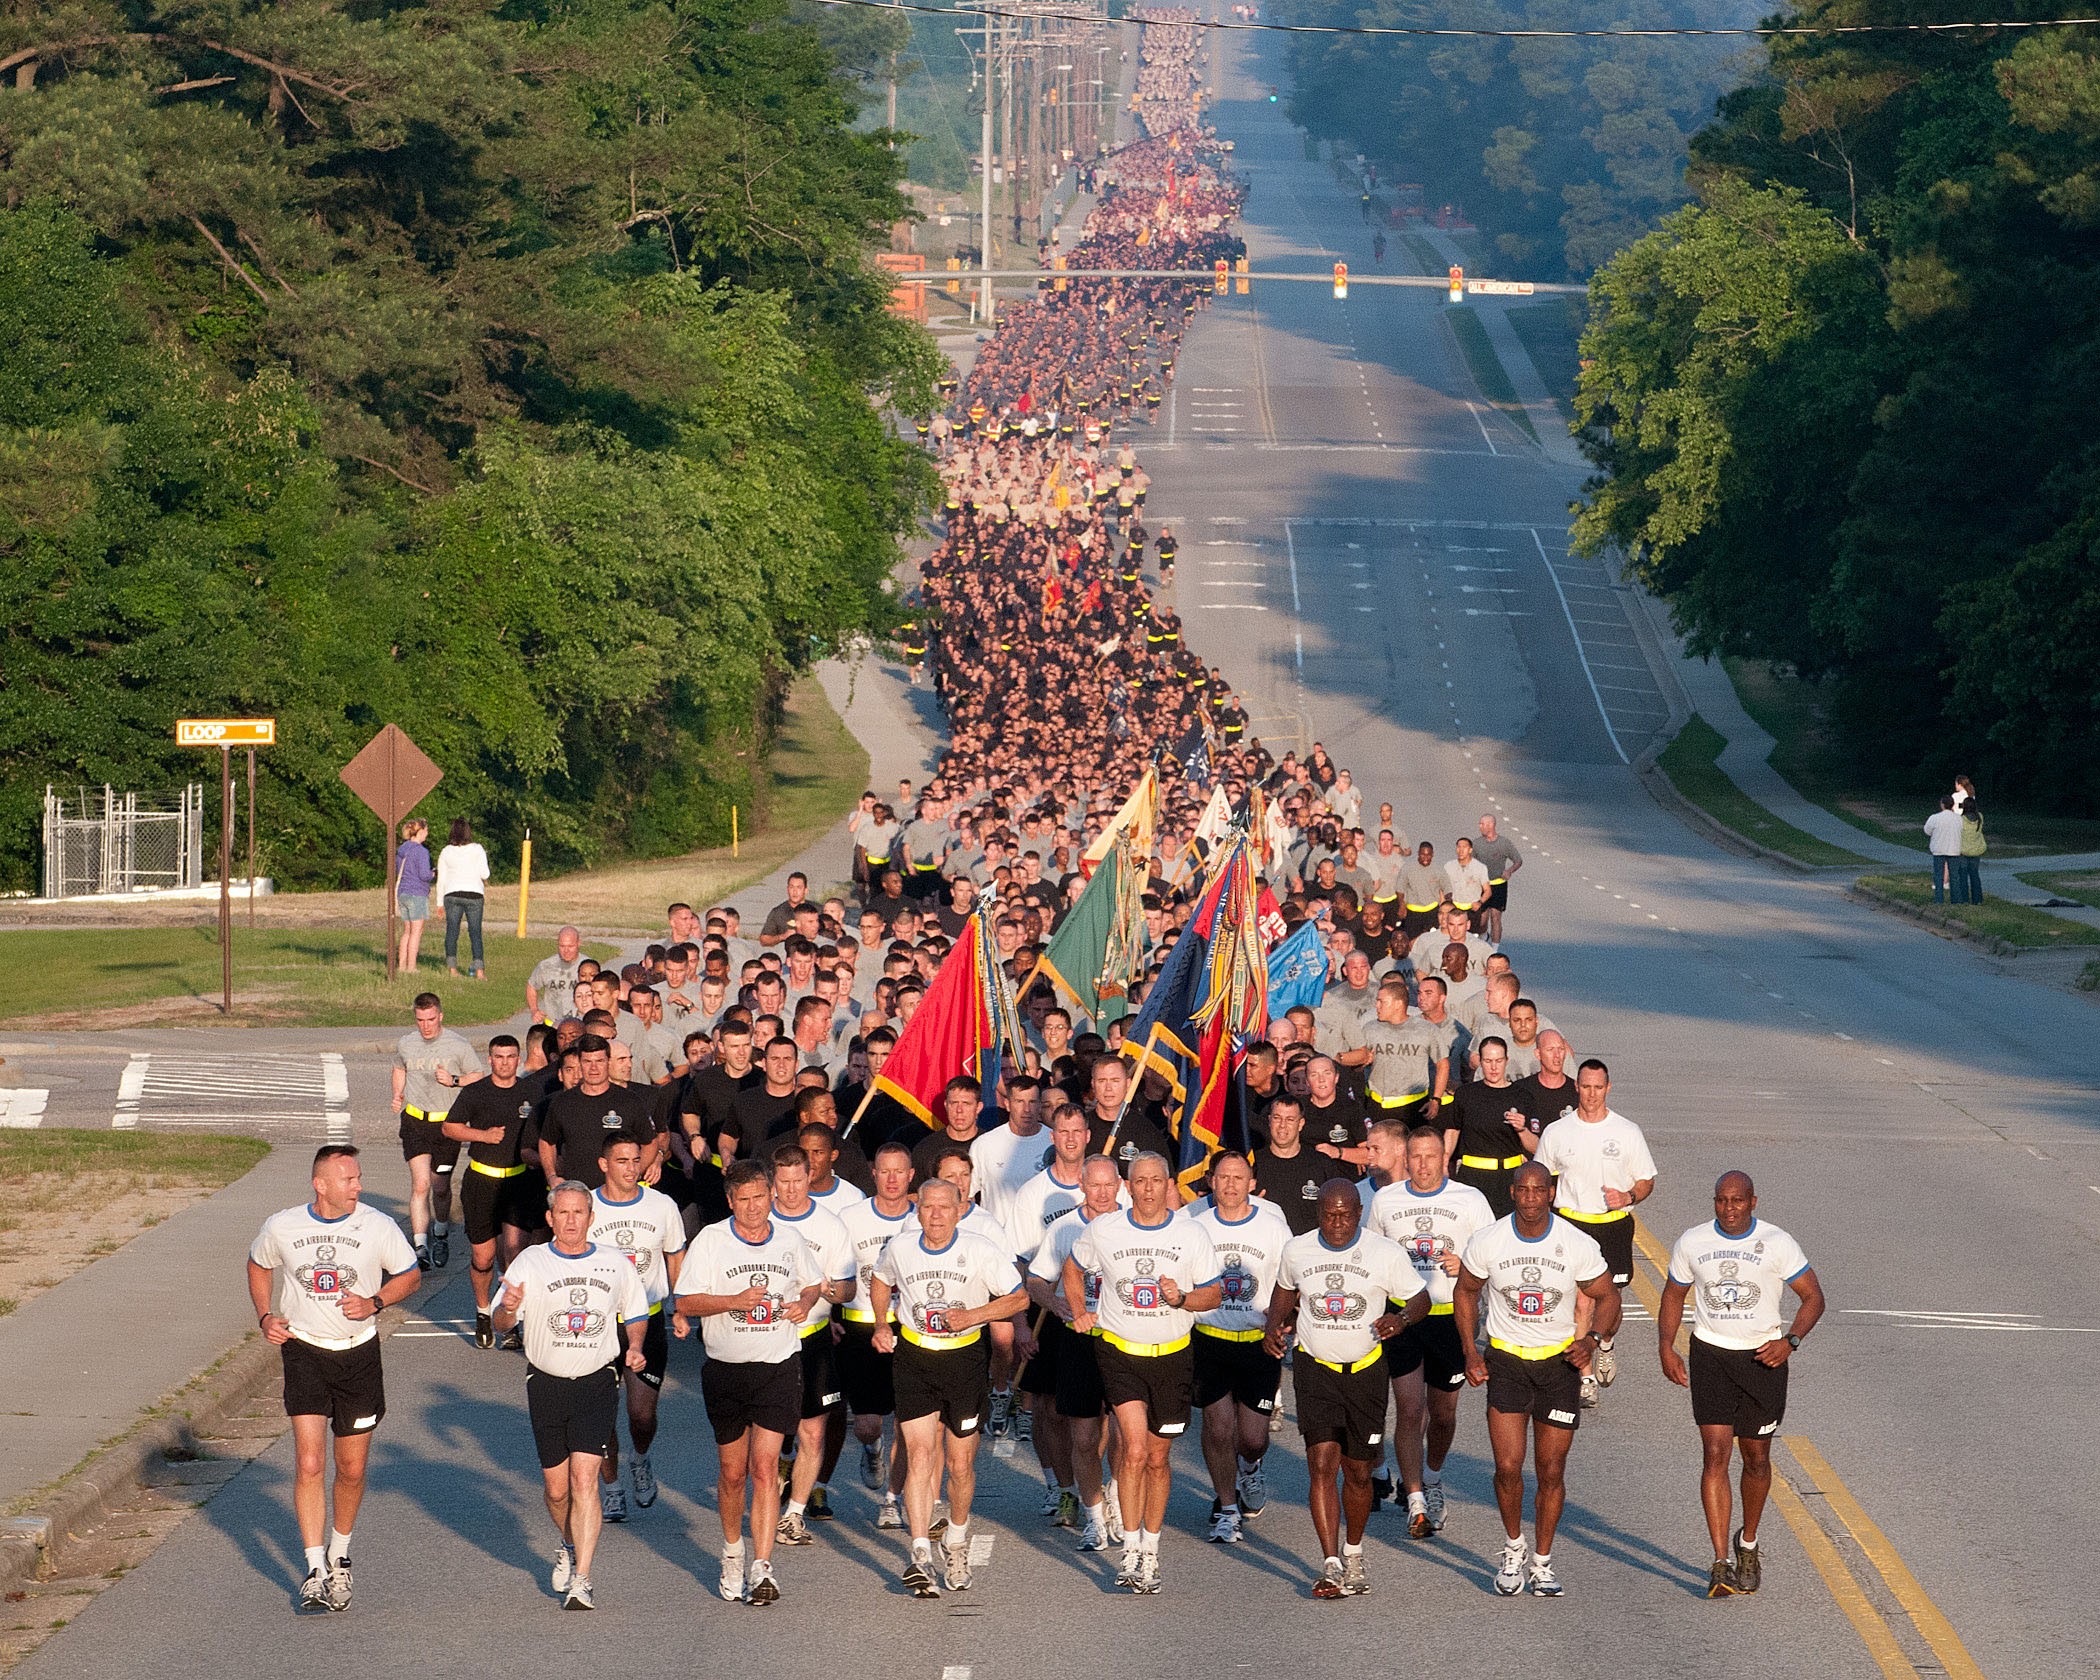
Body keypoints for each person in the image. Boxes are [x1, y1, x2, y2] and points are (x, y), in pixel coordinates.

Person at [247, 1145, 422, 1612]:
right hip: (304, 1351)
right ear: (320, 1184)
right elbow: (258, 1263)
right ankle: (314, 1568)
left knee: (351, 1469)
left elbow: (410, 1274)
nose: (359, 1187)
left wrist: (376, 1302)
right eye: (349, 1180)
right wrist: (265, 1315)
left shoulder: (376, 1226)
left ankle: (340, 1555)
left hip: (358, 1355)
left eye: (358, 1178)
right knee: (308, 1464)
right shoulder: (283, 1225)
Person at [1454, 1161, 1621, 1597]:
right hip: (1507, 1362)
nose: (1530, 1198)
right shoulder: (1489, 1240)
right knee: (1508, 1467)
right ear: (1512, 1192)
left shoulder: (1575, 1243)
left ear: (1551, 1193)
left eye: (1539, 1190)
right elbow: (1466, 1290)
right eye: (1523, 1190)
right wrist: (1471, 1349)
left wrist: (1593, 1340)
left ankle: (1543, 1562)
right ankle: (1513, 1548)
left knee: (1550, 1470)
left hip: (1558, 1366)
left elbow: (1608, 1296)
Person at [1660, 1172, 1826, 1596]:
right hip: (1710, 1355)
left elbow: (1813, 1297)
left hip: (1761, 1361)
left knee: (1755, 1458)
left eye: (1737, 1201)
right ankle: (1719, 1562)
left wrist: (1789, 1342)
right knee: (1714, 1453)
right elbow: (1674, 1294)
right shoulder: (1692, 1242)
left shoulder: (1778, 1242)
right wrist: (1666, 1347)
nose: (1728, 1208)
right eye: (1720, 1200)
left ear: (1753, 1201)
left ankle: (1747, 1543)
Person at [1066, 1152, 1223, 1595]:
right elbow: (1074, 1268)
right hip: (1120, 1352)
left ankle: (1152, 1549)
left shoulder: (1190, 1234)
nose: (1149, 1188)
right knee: (1133, 1449)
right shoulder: (1103, 1230)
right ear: (1126, 1186)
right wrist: (1080, 1310)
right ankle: (1130, 1551)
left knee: (1158, 1457)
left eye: (1157, 1180)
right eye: (1140, 1180)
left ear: (1169, 1185)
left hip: (1172, 1355)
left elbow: (1213, 1293)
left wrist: (1181, 1299)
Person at [493, 1180, 650, 1611]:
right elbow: (502, 1323)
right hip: (545, 1382)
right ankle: (567, 1541)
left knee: (585, 1480)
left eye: (579, 1212)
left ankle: (583, 1578)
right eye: (563, 1213)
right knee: (556, 1489)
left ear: (591, 1218)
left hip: (597, 1381)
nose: (571, 1221)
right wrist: (509, 1306)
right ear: (550, 1218)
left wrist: (635, 1346)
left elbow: (635, 1312)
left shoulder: (614, 1264)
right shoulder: (531, 1261)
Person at [676, 1159, 825, 1606]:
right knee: (731, 1472)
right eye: (744, 1200)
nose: (754, 1207)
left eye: (760, 1197)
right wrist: (732, 1301)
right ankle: (732, 1551)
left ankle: (762, 1567)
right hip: (725, 1368)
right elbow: (685, 1300)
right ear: (730, 1201)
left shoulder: (790, 1239)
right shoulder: (712, 1240)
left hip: (777, 1364)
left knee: (764, 1469)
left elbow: (814, 1284)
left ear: (771, 1195)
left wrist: (803, 1303)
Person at [1268, 1179, 1426, 1598]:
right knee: (1321, 1463)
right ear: (1319, 1212)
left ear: (1358, 1212)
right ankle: (1331, 1562)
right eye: (1328, 1214)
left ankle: (1354, 1550)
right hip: (1314, 1367)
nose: (1336, 1223)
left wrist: (1401, 1319)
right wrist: (1272, 1326)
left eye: (1345, 1214)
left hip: (1366, 1371)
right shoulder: (1298, 1249)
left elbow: (1420, 1298)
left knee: (1358, 1471)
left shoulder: (1384, 1253)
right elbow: (1284, 1290)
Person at [872, 1176, 1028, 1597]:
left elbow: (1019, 1299)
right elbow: (880, 1279)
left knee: (959, 1465)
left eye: (945, 1207)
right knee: (920, 1454)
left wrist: (975, 1314)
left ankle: (956, 1539)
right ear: (916, 1209)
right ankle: (920, 1552)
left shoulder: (979, 1250)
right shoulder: (900, 1247)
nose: (936, 1215)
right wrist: (882, 1323)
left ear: (960, 1210)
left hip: (964, 1360)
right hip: (915, 1357)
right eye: (927, 1207)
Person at [1368, 1123, 1494, 1538]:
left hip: (1450, 1318)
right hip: (1404, 1317)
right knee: (1409, 1409)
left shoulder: (1470, 1199)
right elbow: (1367, 1257)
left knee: (1443, 1414)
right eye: (1416, 1157)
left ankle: (1434, 1477)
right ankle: (1416, 1498)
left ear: (1445, 1159)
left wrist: (1466, 1264)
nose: (1423, 1165)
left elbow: (1492, 1256)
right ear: (1406, 1160)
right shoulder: (1386, 1200)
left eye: (1431, 1156)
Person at [1533, 1059, 1655, 1405]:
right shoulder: (1558, 1132)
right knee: (1580, 1303)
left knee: (1610, 1306)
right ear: (1577, 1087)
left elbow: (1646, 1180)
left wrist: (1628, 1196)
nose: (1591, 1094)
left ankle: (1605, 1342)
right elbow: (1542, 1177)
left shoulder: (1627, 1131)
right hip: (1573, 1224)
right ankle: (1584, 1377)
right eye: (1585, 1087)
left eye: (1597, 1087)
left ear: (1608, 1089)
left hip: (1613, 1226)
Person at [1191, 1152, 1290, 1543]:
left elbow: (1289, 1281)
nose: (1230, 1185)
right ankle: (1227, 1507)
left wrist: (1282, 1321)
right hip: (1209, 1339)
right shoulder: (1194, 1227)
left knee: (1252, 1438)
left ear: (1252, 1184)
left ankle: (1251, 1467)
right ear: (1212, 1181)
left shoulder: (1273, 1228)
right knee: (1218, 1428)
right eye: (1223, 1177)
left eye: (1239, 1178)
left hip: (1257, 1343)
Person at [588, 1137, 687, 1523]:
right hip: (598, 1325)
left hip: (647, 1320)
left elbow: (674, 1254)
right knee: (600, 1414)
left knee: (640, 1414)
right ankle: (611, 1488)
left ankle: (640, 1458)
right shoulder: (588, 1206)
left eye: (635, 1160)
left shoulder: (661, 1206)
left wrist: (680, 1305)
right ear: (603, 1164)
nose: (630, 1167)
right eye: (621, 1160)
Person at [769, 1143, 859, 1539]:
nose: (790, 1190)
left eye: (797, 1180)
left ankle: (795, 1512)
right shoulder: (757, 1219)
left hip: (814, 1338)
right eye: (783, 1182)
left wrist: (828, 1291)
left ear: (810, 1178)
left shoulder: (831, 1226)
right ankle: (768, 1495)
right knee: (769, 1435)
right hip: (765, 1341)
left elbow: (848, 1289)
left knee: (813, 1431)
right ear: (774, 1182)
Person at [441, 1034, 540, 1348]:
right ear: (490, 1058)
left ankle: (511, 1321)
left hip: (520, 1181)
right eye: (499, 1056)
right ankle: (483, 1311)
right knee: (483, 1258)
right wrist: (482, 1135)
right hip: (482, 1181)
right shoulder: (475, 1092)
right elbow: (450, 1127)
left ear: (518, 1057)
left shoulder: (532, 1092)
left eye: (511, 1056)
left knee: (514, 1253)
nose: (505, 1062)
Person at [839, 1141, 917, 1529]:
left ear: (910, 1176)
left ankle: (893, 1497)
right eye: (884, 1171)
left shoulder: (924, 1218)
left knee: (910, 1420)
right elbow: (835, 1270)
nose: (891, 1179)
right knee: (868, 1423)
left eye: (898, 1171)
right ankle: (872, 1449)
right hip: (862, 1324)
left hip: (910, 1326)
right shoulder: (851, 1218)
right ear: (873, 1173)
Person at [391, 992, 483, 1271]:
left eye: (431, 1019)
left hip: (445, 1126)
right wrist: (397, 1094)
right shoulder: (406, 1043)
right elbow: (399, 1068)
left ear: (440, 1016)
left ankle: (440, 1234)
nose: (426, 1026)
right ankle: (420, 1247)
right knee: (420, 1185)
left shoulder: (457, 1044)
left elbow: (477, 1076)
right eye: (420, 1020)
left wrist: (454, 1080)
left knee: (440, 1187)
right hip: (415, 1121)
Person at [435, 817, 491, 980]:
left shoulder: (446, 851)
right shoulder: (477, 849)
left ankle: (452, 968)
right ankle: (479, 970)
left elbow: (441, 879)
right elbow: (485, 874)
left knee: (452, 931)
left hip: (452, 894)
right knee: (475, 932)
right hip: (474, 894)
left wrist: (439, 903)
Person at [1473, 815, 1523, 945]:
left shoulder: (1504, 843)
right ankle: (1483, 934)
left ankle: (1494, 949)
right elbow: (1469, 862)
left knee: (1496, 916)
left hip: (1499, 885)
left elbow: (1518, 860)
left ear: (1491, 825)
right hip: (1482, 885)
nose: (1480, 827)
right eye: (1480, 824)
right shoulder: (1477, 844)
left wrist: (1509, 871)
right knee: (1482, 919)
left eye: (1482, 824)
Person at [394, 819, 433, 975]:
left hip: (402, 892)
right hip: (417, 893)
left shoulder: (402, 850)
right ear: (420, 831)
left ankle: (401, 965)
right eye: (426, 830)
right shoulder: (421, 851)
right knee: (417, 931)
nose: (427, 834)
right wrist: (432, 874)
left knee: (407, 931)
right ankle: (411, 967)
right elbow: (424, 875)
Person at [528, 927, 586, 1026]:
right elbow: (531, 986)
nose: (566, 950)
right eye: (562, 946)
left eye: (570, 946)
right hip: (553, 1024)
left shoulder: (587, 967)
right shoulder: (546, 966)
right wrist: (534, 1010)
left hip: (579, 1023)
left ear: (578, 943)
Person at [1924, 795, 1962, 903]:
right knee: (1954, 876)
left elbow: (1927, 830)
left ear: (1942, 805)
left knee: (1938, 875)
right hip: (1954, 849)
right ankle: (1955, 900)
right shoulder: (1958, 819)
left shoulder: (1935, 818)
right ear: (1952, 805)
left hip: (1939, 849)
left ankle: (1939, 899)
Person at [1956, 800, 1987, 905]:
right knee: (1974, 875)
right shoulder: (1980, 818)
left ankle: (1964, 899)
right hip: (1976, 850)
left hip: (1963, 851)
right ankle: (1977, 899)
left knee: (1963, 876)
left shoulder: (1961, 820)